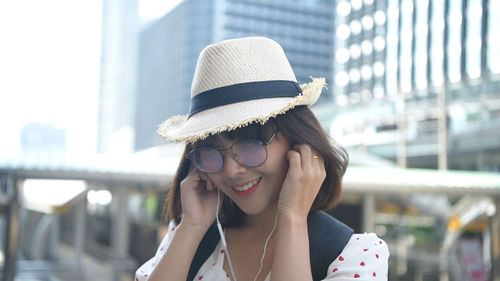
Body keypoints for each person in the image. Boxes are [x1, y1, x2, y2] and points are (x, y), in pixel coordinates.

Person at [136, 37, 389, 281]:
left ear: (297, 140)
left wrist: (292, 218)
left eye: (250, 143)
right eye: (211, 150)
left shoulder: (357, 255)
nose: (231, 169)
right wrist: (191, 226)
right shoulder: (186, 237)